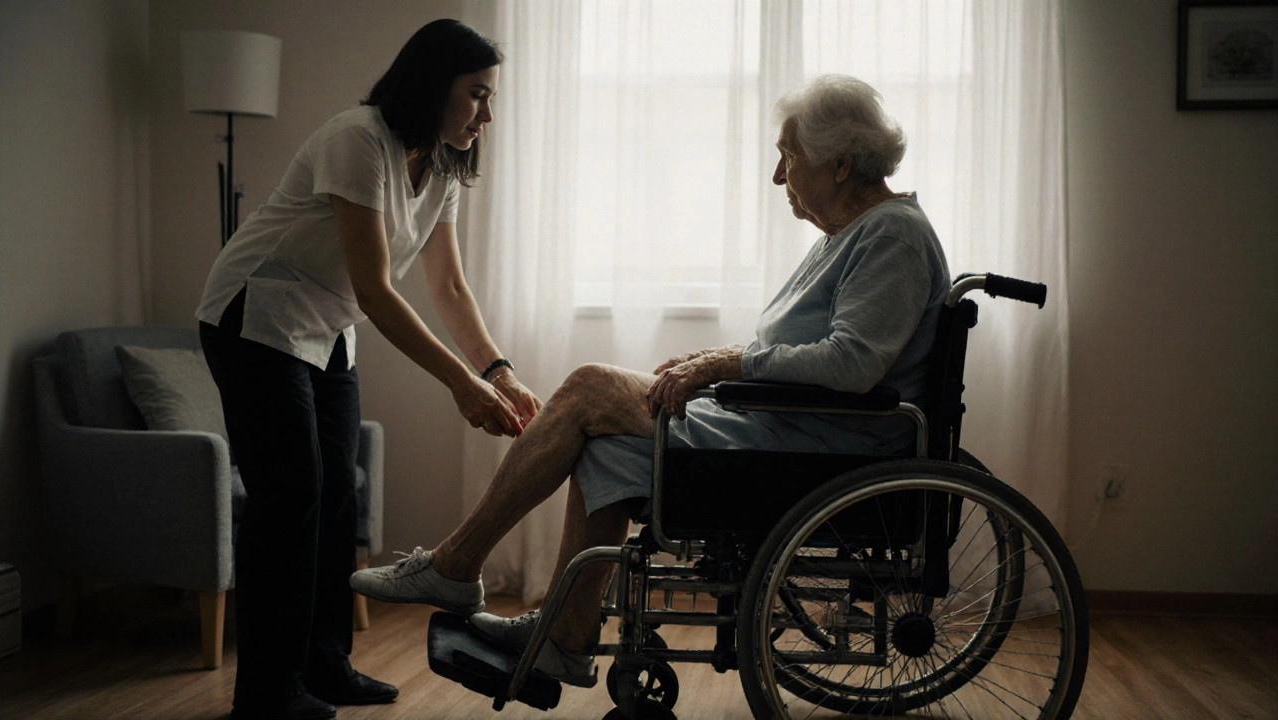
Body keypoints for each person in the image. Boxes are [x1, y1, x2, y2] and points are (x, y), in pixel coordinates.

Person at [350, 74, 951, 689]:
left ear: (842, 165)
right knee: (604, 445)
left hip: (815, 446)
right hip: (784, 424)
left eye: (788, 156)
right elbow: (808, 349)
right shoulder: (853, 235)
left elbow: (850, 364)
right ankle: (566, 636)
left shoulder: (892, 235)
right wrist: (721, 358)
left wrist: (725, 367)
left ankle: (456, 563)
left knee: (588, 386)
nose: (778, 176)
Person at [197, 19, 542, 720]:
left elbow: (447, 287)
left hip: (329, 331)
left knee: (337, 501)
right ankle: (266, 693)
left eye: (491, 98)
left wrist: (497, 369)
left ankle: (324, 665)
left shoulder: (442, 162)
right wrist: (460, 383)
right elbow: (381, 289)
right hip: (257, 316)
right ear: (432, 84)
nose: (487, 114)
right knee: (290, 497)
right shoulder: (356, 140)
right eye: (476, 95)